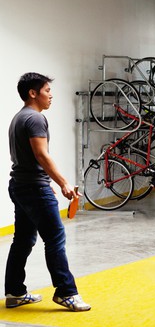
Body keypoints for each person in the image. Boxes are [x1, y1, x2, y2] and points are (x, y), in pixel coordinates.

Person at [5, 73, 91, 311]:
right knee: (55, 238)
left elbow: (29, 158)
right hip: (33, 188)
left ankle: (14, 292)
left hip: (21, 185)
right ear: (33, 93)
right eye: (47, 91)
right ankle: (66, 292)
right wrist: (63, 183)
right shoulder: (35, 118)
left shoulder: (19, 117)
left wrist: (45, 180)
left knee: (23, 239)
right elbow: (41, 154)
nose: (51, 95)